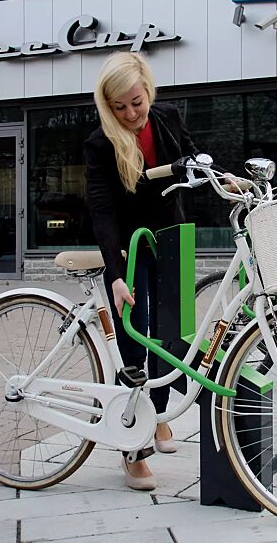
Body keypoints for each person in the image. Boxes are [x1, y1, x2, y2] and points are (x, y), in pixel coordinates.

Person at [84, 52, 193, 492]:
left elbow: (192, 157)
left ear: (148, 90)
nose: (130, 114)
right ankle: (132, 449)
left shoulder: (166, 117)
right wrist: (114, 272)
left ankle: (159, 418)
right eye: (119, 107)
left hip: (171, 236)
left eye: (136, 102)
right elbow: (102, 208)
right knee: (135, 338)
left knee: (172, 335)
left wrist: (225, 179)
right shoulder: (99, 143)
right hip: (130, 247)